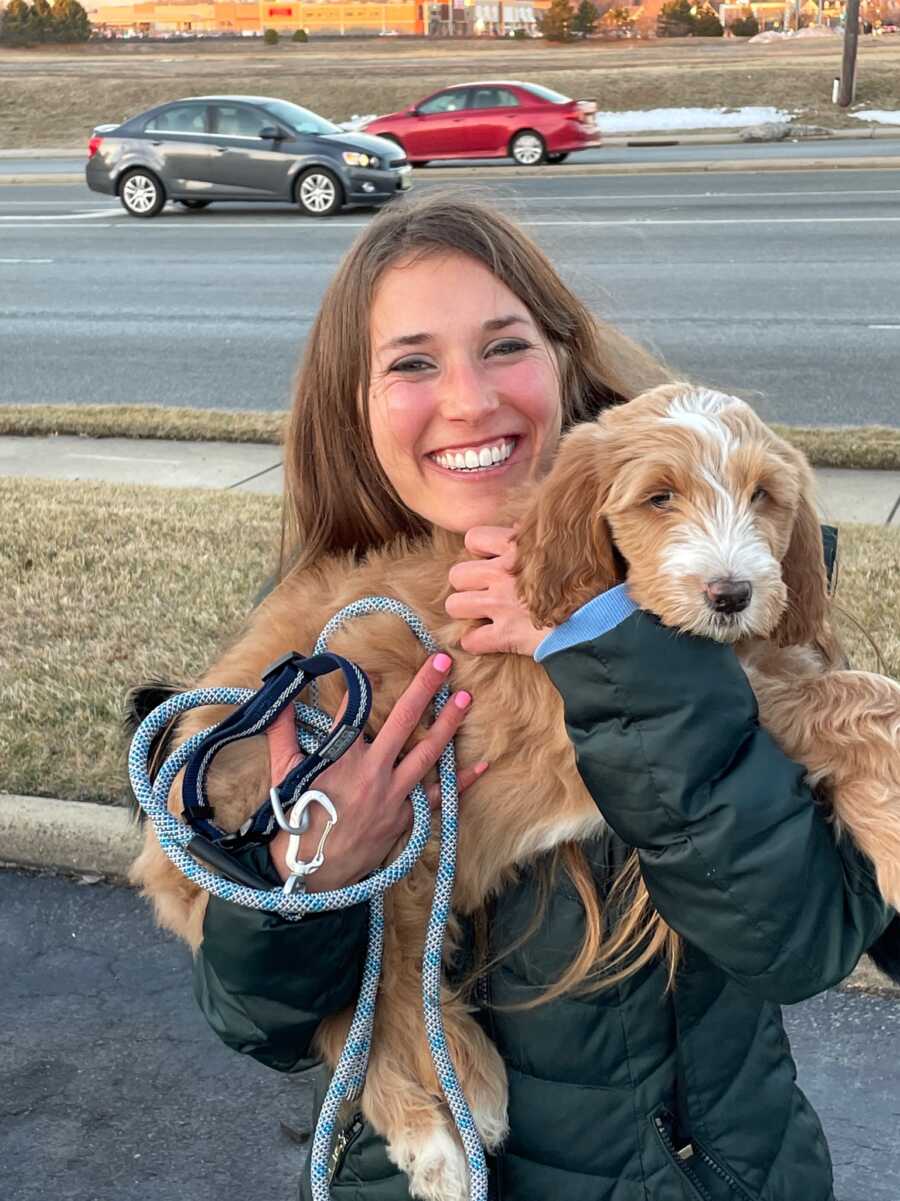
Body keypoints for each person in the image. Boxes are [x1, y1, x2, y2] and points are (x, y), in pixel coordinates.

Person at [189, 193, 898, 1200]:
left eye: (503, 346)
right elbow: (248, 1010)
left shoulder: (718, 592)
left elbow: (795, 939)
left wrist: (628, 659)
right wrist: (307, 870)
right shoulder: (328, 639)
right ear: (357, 405)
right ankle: (405, 1059)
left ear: (565, 357)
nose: (470, 401)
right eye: (412, 362)